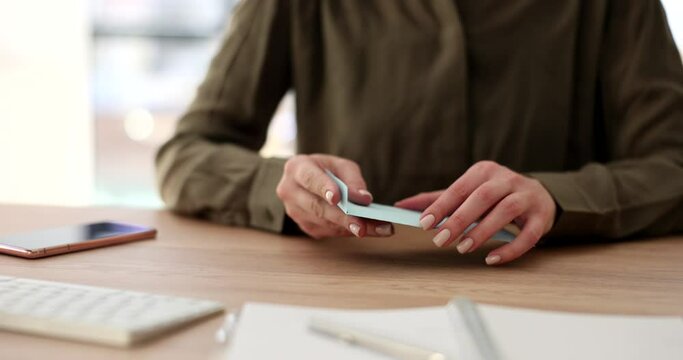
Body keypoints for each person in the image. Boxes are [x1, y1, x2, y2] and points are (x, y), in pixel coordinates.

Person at [156, 0, 683, 265]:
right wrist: (286, 186)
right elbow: (188, 153)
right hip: (346, 296)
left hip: (554, 293)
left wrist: (557, 198)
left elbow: (673, 164)